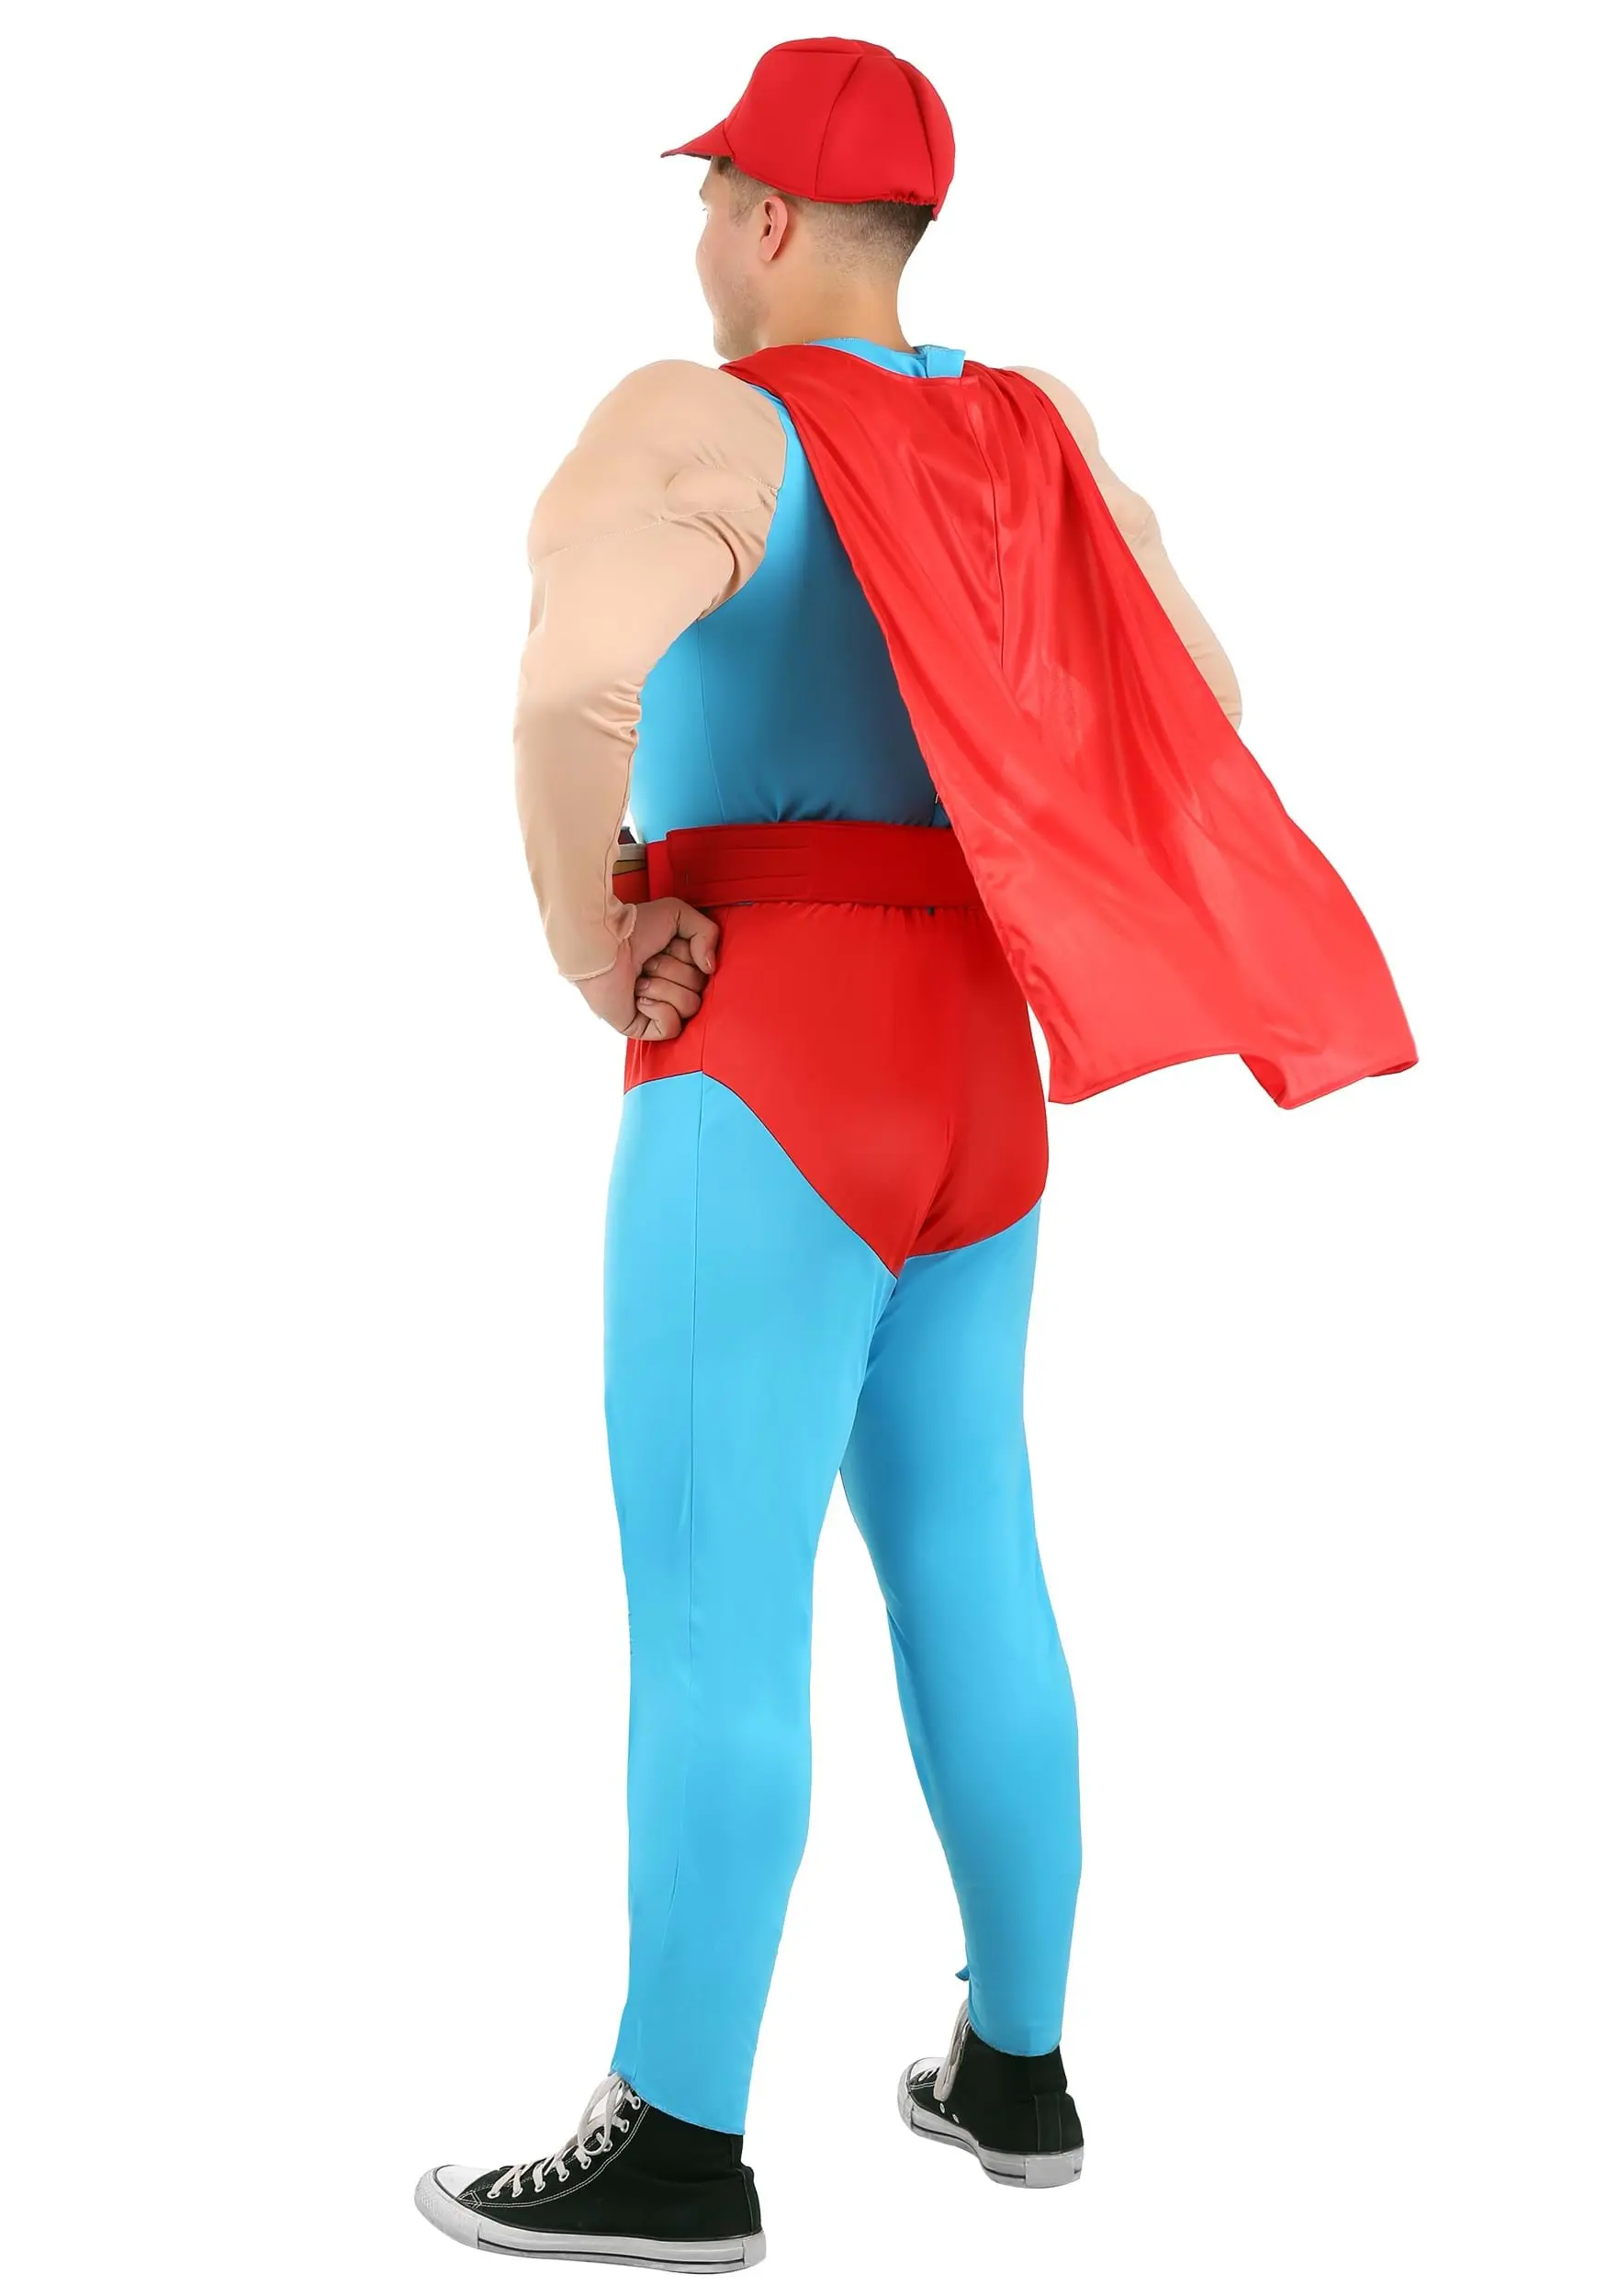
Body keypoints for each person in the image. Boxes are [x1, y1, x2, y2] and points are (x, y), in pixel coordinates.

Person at [416, 35, 1413, 2273]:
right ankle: (1015, 2066)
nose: (697, 236)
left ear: (766, 219)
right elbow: (1199, 703)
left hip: (767, 1046)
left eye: (710, 199)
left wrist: (599, 941)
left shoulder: (698, 422)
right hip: (976, 1058)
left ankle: (676, 2139)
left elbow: (567, 692)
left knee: (714, 1600)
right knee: (971, 1551)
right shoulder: (1028, 427)